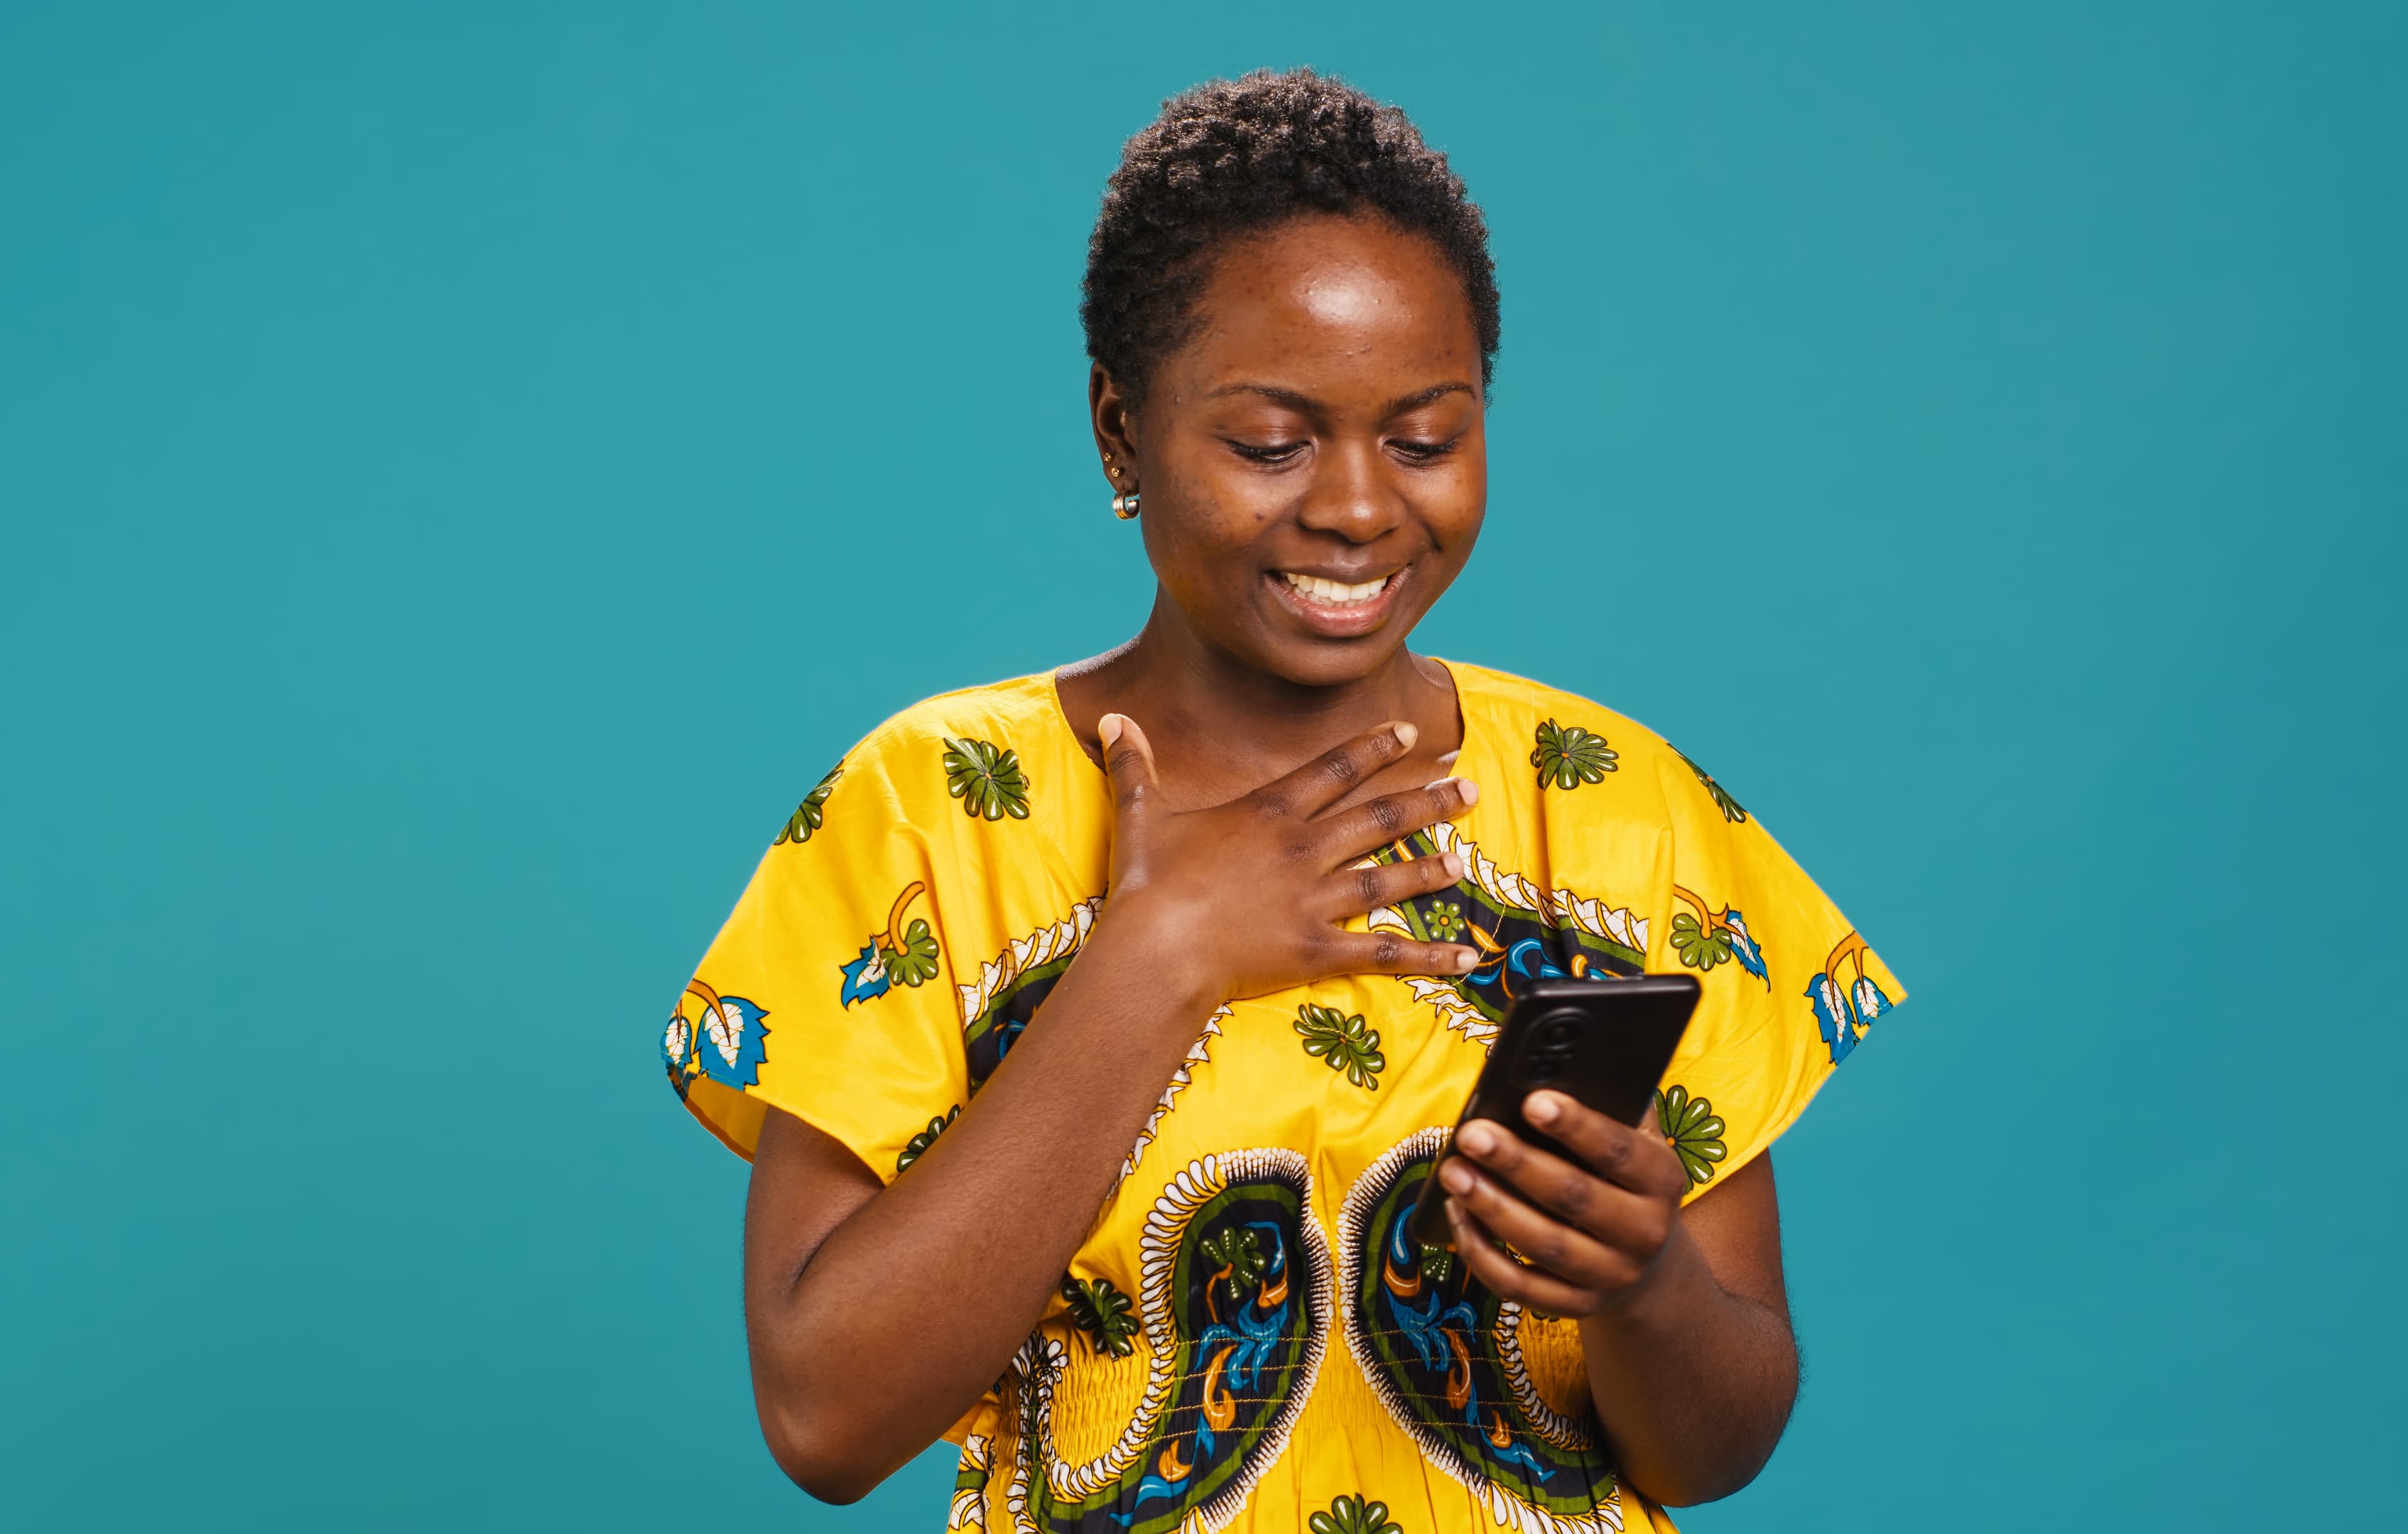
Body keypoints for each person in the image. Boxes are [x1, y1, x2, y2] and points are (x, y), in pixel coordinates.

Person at [662, 67, 1904, 1533]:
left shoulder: (1626, 812)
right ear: (1122, 434)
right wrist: (1163, 951)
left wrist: (1641, 1285)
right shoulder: (934, 814)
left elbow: (1717, 1449)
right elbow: (825, 1417)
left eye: (1428, 436)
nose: (1362, 506)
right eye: (1272, 443)